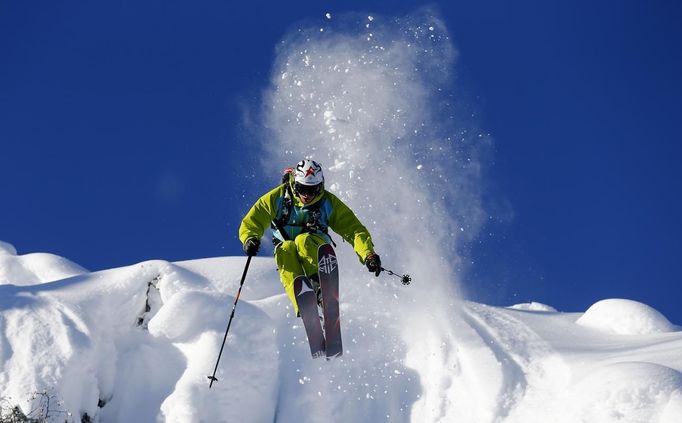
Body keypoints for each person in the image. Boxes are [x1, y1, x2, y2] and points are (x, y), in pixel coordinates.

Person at [238, 159, 382, 315]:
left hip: (316, 245)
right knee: (284, 249)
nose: (307, 195)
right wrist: (250, 238)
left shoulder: (327, 202)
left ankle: (321, 288)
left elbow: (353, 229)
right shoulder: (278, 197)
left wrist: (367, 253)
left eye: (312, 190)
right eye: (302, 188)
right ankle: (303, 303)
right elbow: (254, 219)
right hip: (287, 247)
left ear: (320, 187)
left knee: (303, 240)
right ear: (295, 184)